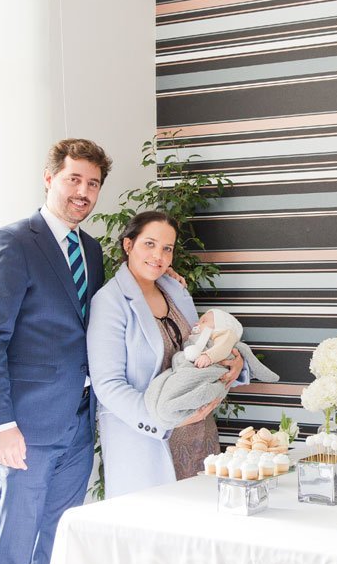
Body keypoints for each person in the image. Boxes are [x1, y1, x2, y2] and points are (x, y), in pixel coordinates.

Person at [0, 138, 111, 564]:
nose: (83, 191)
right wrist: (0, 425)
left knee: (55, 543)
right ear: (49, 177)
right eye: (74, 179)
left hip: (77, 428)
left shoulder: (90, 250)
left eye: (92, 184)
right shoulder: (13, 241)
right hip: (24, 428)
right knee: (13, 547)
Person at [87, 210, 246, 498]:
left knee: (203, 530)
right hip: (147, 442)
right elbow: (108, 385)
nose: (158, 255)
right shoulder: (109, 302)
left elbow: (199, 349)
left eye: (167, 248)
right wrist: (163, 421)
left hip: (199, 435)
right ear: (128, 245)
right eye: (149, 244)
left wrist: (236, 365)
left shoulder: (176, 291)